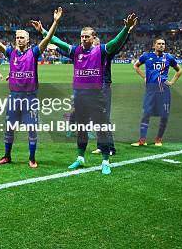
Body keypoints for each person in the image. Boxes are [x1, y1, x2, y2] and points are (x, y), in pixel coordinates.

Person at [46, 15, 137, 175]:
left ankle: (105, 161)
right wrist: (43, 31)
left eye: (86, 36)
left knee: (101, 128)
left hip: (97, 96)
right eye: (81, 36)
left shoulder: (101, 51)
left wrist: (126, 29)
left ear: (93, 38)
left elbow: (116, 42)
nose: (83, 39)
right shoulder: (75, 51)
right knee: (81, 129)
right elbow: (57, 41)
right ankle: (80, 158)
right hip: (80, 97)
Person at [0, 8, 63, 167]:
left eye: (22, 38)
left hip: (30, 97)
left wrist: (55, 22)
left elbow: (47, 39)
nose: (19, 39)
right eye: (17, 37)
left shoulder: (33, 53)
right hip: (14, 97)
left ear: (28, 40)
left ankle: (32, 158)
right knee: (9, 128)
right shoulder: (11, 53)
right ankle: (7, 156)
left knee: (32, 129)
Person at [131, 38, 182, 146]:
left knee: (164, 115)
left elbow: (179, 70)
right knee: (146, 114)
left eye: (163, 44)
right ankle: (142, 140)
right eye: (159, 44)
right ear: (154, 45)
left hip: (164, 90)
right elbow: (136, 66)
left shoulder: (169, 57)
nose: (161, 45)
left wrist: (172, 81)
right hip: (151, 90)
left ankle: (158, 139)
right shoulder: (146, 56)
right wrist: (144, 77)